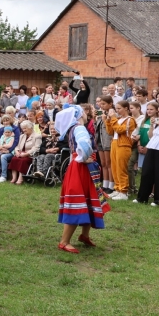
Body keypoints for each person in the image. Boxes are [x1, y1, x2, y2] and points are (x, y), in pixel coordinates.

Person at [55, 105, 110, 253]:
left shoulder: (73, 128)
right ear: (78, 115)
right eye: (83, 112)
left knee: (88, 199)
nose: (86, 114)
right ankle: (64, 241)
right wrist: (84, 157)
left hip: (79, 167)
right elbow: (84, 145)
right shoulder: (79, 128)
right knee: (78, 202)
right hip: (82, 168)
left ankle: (84, 235)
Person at [136, 102, 159, 206]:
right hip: (152, 148)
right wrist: (152, 125)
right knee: (146, 173)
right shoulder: (158, 122)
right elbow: (151, 136)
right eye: (158, 111)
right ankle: (142, 197)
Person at [105, 100, 137, 200]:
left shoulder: (130, 120)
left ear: (126, 108)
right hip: (114, 143)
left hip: (124, 145)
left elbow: (119, 130)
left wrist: (113, 118)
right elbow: (110, 131)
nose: (117, 110)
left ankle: (123, 191)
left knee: (121, 168)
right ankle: (117, 189)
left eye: (119, 108)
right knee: (114, 168)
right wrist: (107, 120)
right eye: (116, 108)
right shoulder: (117, 119)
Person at [8, 120, 41, 185]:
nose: (24, 130)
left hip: (30, 155)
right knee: (14, 159)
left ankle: (20, 178)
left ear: (30, 128)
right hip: (21, 153)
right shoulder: (22, 136)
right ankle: (14, 178)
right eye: (23, 128)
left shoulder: (37, 136)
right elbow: (17, 146)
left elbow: (37, 148)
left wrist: (27, 153)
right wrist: (16, 151)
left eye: (25, 128)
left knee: (23, 161)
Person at [94, 96, 114, 193]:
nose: (101, 106)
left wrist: (105, 119)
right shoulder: (101, 112)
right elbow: (96, 127)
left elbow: (110, 129)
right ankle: (105, 184)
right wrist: (96, 119)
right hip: (99, 140)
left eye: (104, 104)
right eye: (101, 104)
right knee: (103, 163)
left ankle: (111, 185)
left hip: (107, 140)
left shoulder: (113, 113)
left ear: (110, 104)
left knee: (109, 163)